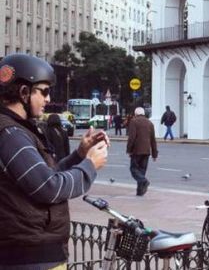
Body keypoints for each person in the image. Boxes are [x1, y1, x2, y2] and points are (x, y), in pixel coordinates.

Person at [0, 53, 109, 269]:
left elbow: (39, 177)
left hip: (34, 253)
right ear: (24, 92)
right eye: (45, 91)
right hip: (30, 257)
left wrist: (79, 154)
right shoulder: (11, 134)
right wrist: (89, 165)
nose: (48, 99)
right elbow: (48, 187)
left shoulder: (17, 130)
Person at [127, 107, 158, 196]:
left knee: (134, 170)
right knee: (142, 171)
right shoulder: (150, 123)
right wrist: (154, 154)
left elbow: (131, 138)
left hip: (136, 150)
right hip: (146, 151)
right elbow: (153, 140)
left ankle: (144, 181)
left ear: (135, 114)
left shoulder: (134, 121)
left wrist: (129, 150)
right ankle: (140, 192)